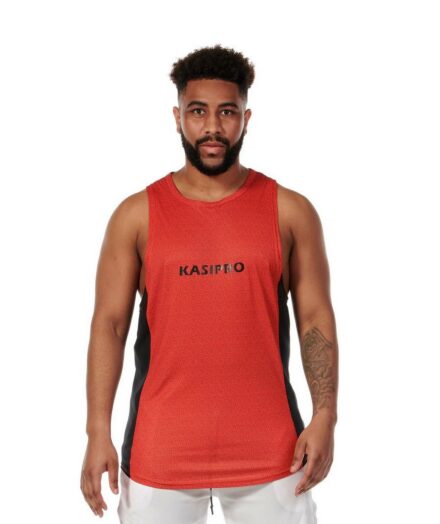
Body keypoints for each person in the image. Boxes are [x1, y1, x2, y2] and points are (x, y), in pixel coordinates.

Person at [80, 44, 338, 523]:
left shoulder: (290, 211)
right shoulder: (136, 216)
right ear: (178, 117)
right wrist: (98, 431)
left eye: (227, 112)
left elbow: (315, 320)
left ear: (246, 118)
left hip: (273, 453)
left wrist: (326, 415)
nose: (213, 127)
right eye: (198, 112)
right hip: (161, 452)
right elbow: (110, 326)